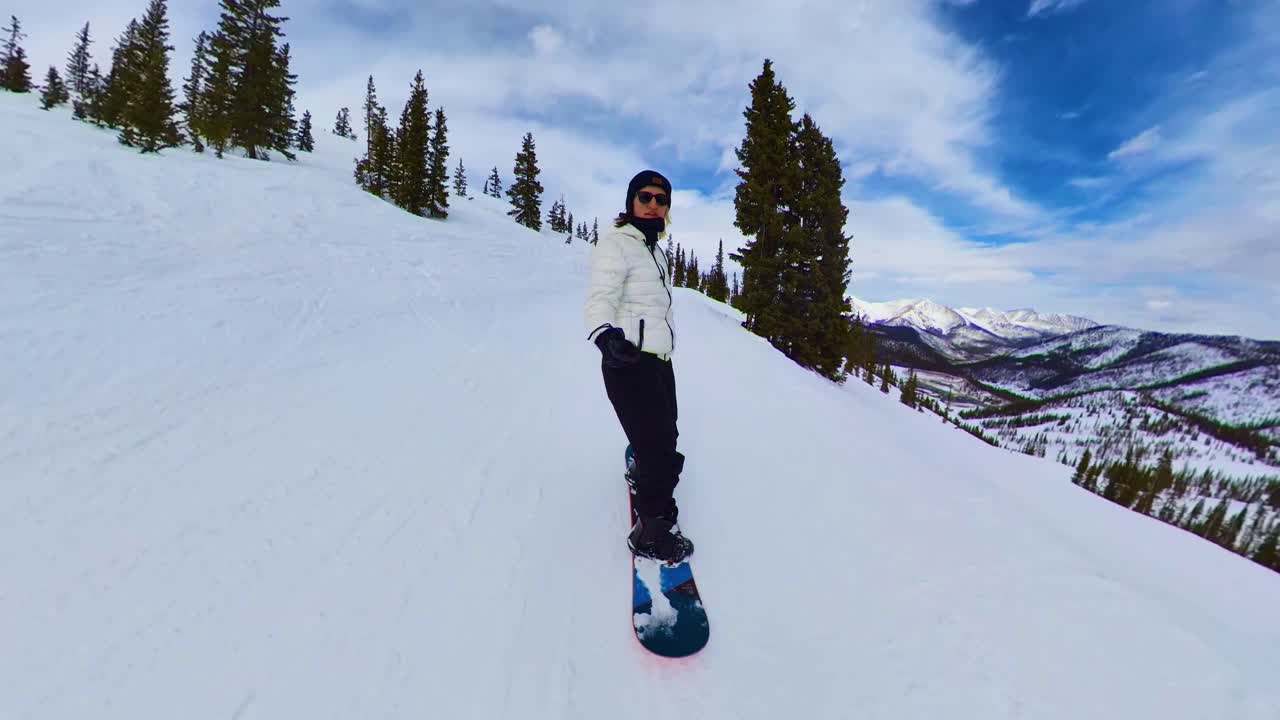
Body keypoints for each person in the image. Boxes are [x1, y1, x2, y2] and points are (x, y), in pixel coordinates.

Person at [584, 169, 694, 564]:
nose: (652, 204)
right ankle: (651, 531)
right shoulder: (617, 243)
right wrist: (605, 336)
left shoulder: (654, 249)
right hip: (629, 359)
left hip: (659, 359)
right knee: (657, 448)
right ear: (631, 201)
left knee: (667, 433)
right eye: (644, 196)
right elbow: (601, 297)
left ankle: (642, 473)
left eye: (660, 199)